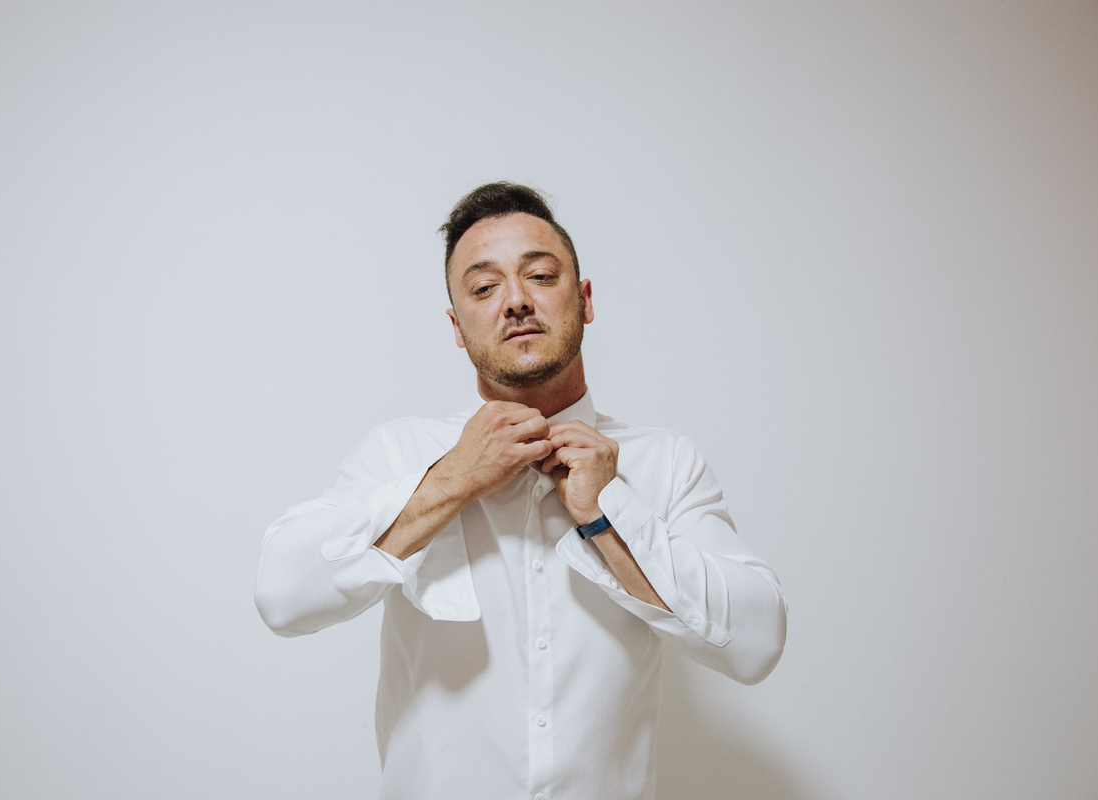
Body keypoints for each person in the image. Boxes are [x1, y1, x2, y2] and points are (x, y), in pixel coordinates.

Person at [254, 182, 787, 800]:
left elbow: (755, 644)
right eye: (484, 288)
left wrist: (608, 516)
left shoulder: (664, 462)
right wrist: (455, 477)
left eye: (540, 276)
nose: (515, 301)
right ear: (457, 326)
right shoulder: (399, 452)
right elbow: (283, 597)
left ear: (584, 300)